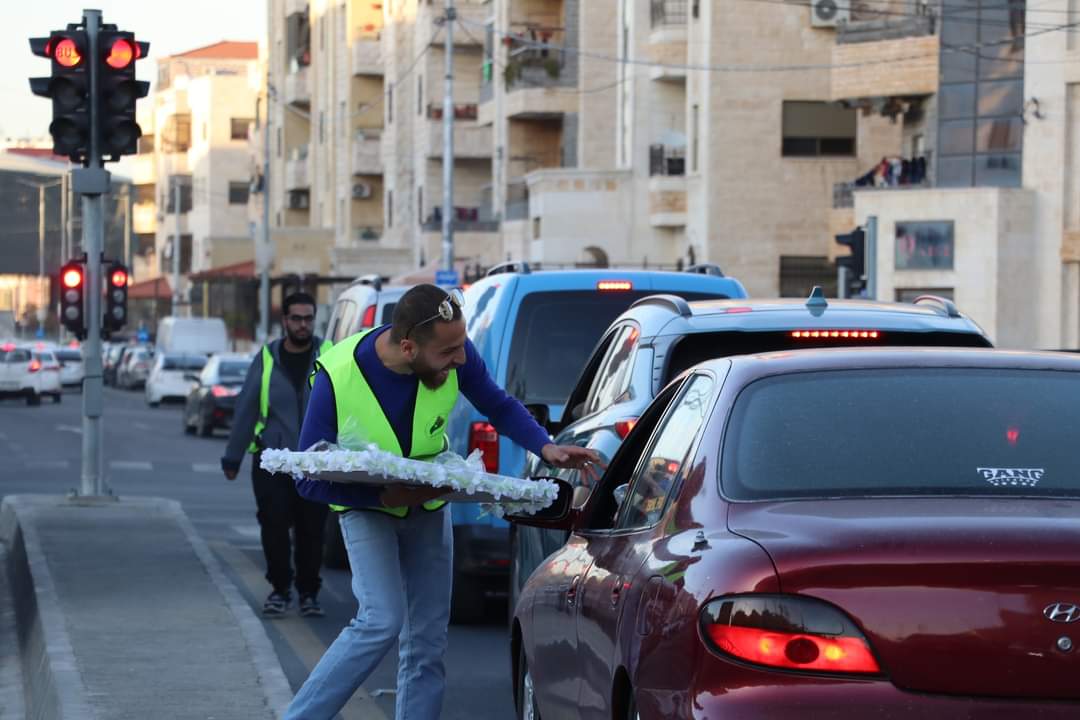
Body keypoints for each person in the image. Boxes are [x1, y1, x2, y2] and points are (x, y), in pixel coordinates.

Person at [285, 283, 599, 720]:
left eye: (460, 346)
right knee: (380, 620)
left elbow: (496, 402)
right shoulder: (338, 375)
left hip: (429, 507)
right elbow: (305, 477)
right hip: (365, 507)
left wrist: (546, 447)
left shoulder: (451, 347)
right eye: (449, 352)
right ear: (409, 346)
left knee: (428, 642)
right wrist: (378, 493)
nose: (460, 359)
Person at [221, 291, 333, 618]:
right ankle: (280, 589)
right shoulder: (268, 358)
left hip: (315, 462)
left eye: (308, 318)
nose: (303, 325)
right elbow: (246, 407)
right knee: (274, 526)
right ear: (284, 321)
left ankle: (309, 593)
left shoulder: (329, 354)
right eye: (296, 318)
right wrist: (233, 457)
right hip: (273, 460)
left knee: (312, 530)